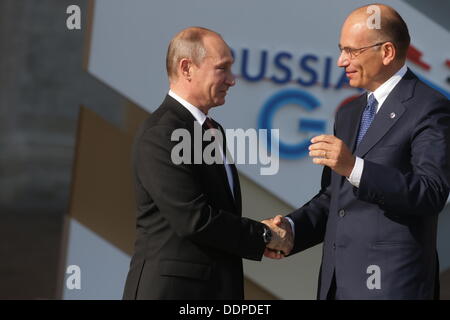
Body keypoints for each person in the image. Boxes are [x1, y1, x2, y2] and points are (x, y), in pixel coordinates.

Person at [266, 4, 450, 299]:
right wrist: (290, 229)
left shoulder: (430, 108)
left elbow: (431, 192)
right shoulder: (349, 113)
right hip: (337, 285)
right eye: (341, 50)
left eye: (352, 51)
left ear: (387, 52)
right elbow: (334, 199)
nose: (341, 61)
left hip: (393, 286)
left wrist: (354, 167)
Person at [122, 27, 292, 300]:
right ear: (187, 68)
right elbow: (194, 219)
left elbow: (217, 213)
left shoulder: (212, 130)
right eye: (222, 69)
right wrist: (263, 235)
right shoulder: (162, 132)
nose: (232, 80)